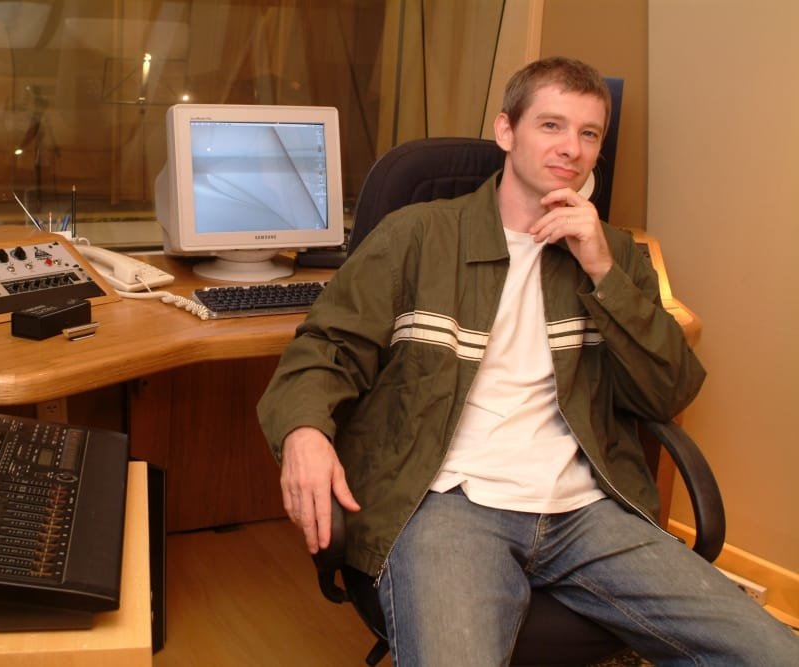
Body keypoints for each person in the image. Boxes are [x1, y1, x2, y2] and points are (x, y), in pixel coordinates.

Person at [257, 56, 798, 665]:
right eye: (551, 125)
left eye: (589, 133)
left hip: (586, 509)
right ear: (506, 131)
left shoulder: (617, 254)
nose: (572, 147)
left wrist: (602, 270)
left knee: (774, 652)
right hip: (448, 503)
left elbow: (668, 391)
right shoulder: (418, 236)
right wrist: (304, 432)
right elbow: (323, 348)